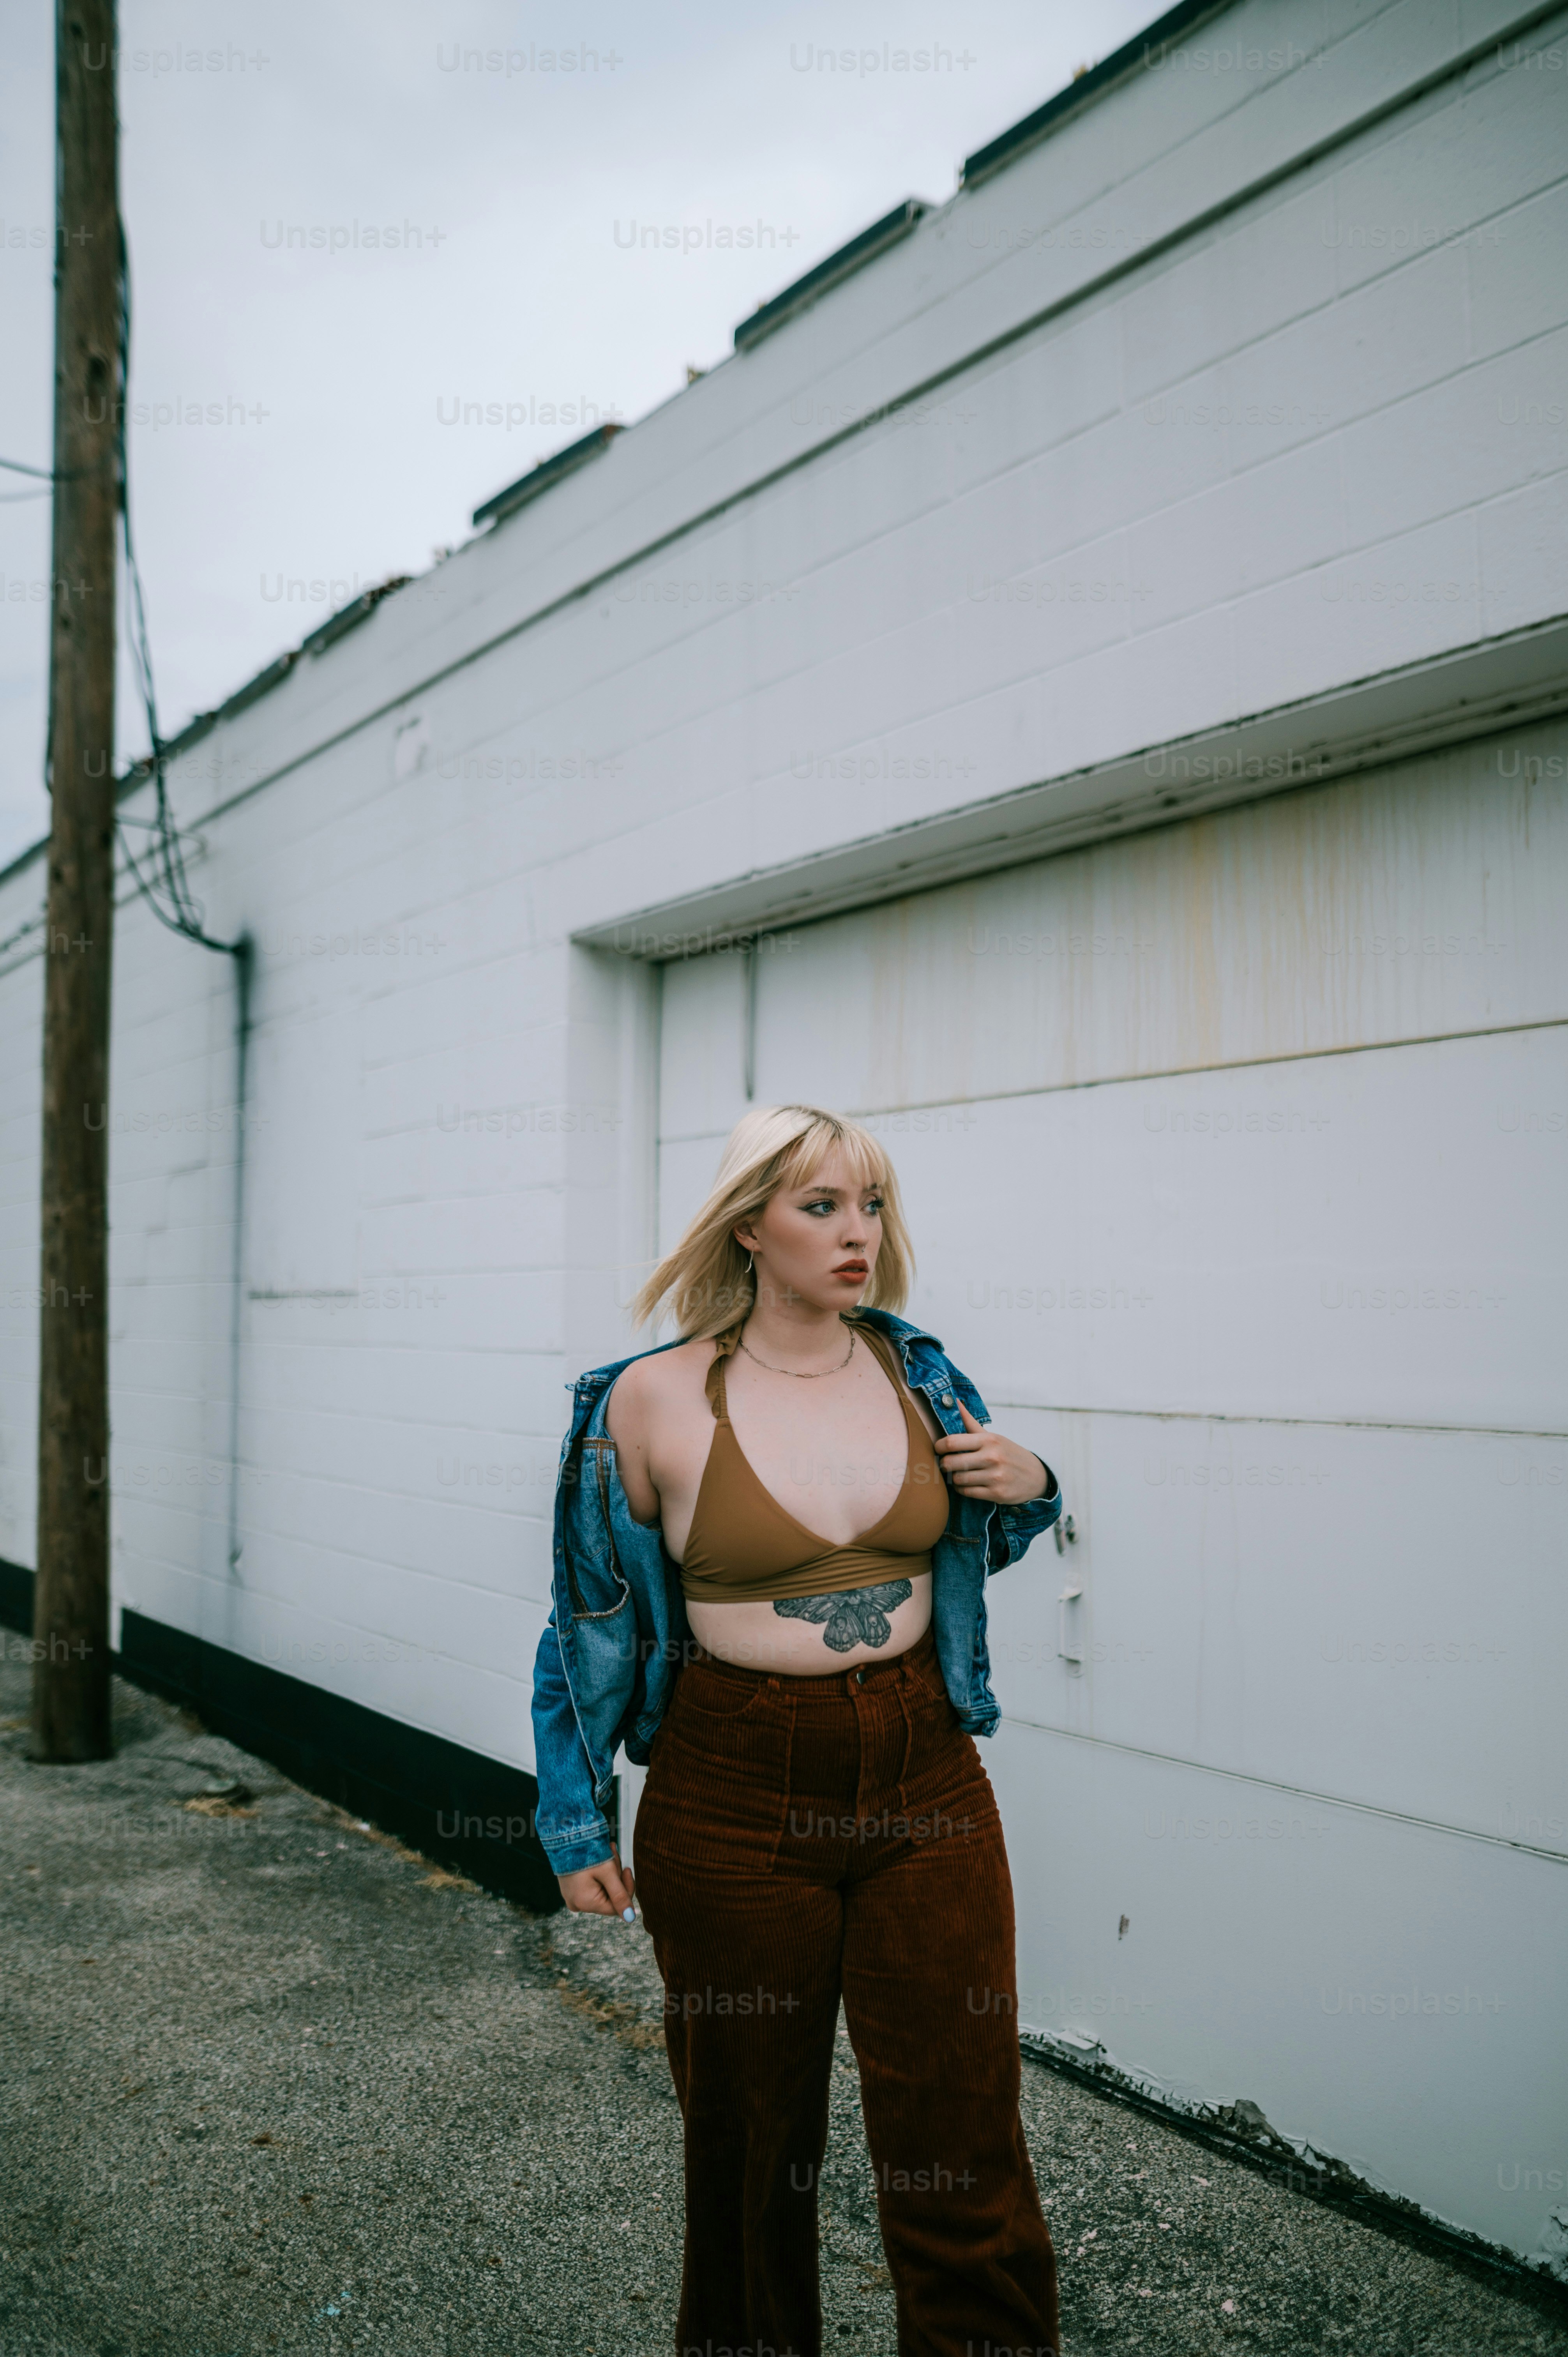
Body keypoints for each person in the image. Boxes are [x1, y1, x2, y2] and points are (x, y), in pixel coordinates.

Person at [530, 1104, 1065, 2357]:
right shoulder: (647, 1403)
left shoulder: (918, 1370)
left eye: (870, 1205)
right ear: (748, 1227)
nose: (857, 1235)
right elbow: (585, 1628)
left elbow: (992, 1530)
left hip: (927, 1775)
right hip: (732, 1790)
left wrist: (1037, 1484)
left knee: (963, 2131)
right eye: (821, 1207)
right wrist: (572, 1816)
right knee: (749, 2145)